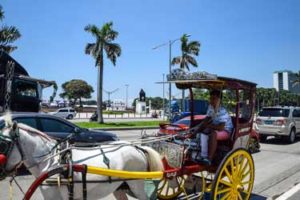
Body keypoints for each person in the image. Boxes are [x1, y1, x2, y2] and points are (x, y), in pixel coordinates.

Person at [195, 89, 233, 165]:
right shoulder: (210, 108)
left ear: (219, 100)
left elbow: (221, 127)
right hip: (215, 128)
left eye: (214, 98)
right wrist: (197, 130)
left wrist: (208, 126)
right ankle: (203, 155)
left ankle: (209, 159)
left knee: (213, 134)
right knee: (202, 132)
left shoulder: (222, 110)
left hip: (226, 131)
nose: (211, 100)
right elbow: (206, 120)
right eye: (210, 98)